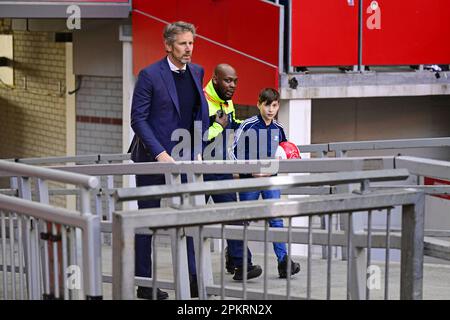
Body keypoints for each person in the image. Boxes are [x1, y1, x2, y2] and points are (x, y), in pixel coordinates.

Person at [128, 21, 209, 299]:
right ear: (168, 45)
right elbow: (137, 119)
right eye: (183, 43)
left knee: (187, 217)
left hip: (185, 158)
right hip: (152, 158)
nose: (189, 49)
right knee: (147, 220)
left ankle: (192, 278)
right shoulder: (149, 75)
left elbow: (199, 113)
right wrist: (160, 153)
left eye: (191, 43)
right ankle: (144, 284)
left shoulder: (197, 72)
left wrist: (197, 148)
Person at [231, 88, 301, 278]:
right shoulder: (248, 125)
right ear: (258, 104)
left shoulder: (279, 128)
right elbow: (234, 152)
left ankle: (283, 262)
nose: (271, 109)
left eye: (275, 105)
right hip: (250, 182)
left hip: (271, 181)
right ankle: (239, 261)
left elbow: (285, 151)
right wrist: (251, 171)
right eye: (267, 104)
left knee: (276, 219)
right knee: (244, 219)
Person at [203, 63, 262, 281]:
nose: (233, 85)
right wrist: (218, 126)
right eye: (228, 80)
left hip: (220, 169)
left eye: (235, 80)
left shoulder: (226, 101)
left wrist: (249, 126)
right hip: (197, 171)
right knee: (191, 222)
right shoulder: (202, 100)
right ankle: (191, 272)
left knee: (233, 216)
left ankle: (242, 265)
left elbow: (231, 124)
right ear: (215, 79)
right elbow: (196, 135)